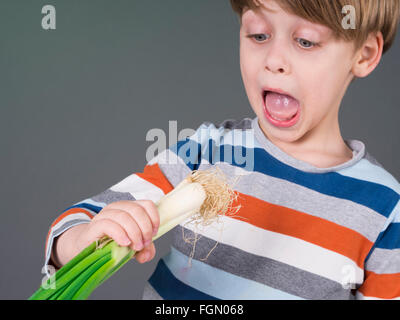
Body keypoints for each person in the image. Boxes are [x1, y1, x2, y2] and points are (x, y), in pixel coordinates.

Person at [43, 0, 400, 299]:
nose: (274, 60)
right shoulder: (208, 152)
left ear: (365, 54)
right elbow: (72, 230)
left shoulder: (385, 207)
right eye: (259, 35)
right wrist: (83, 240)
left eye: (305, 41)